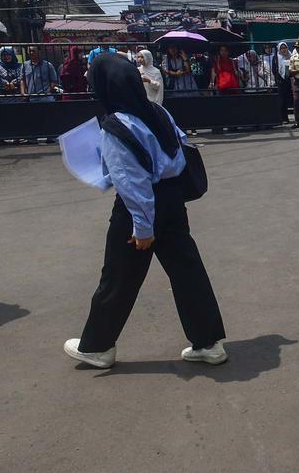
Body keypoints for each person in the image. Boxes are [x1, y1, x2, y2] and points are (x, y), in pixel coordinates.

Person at [64, 54, 226, 369]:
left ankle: (97, 347)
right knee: (187, 272)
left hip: (139, 210)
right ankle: (209, 343)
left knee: (118, 277)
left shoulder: (115, 126)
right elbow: (179, 151)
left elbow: (131, 183)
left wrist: (142, 228)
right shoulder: (158, 111)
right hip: (172, 200)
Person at [272, 42, 293, 123]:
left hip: (290, 80)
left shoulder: (291, 56)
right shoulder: (276, 57)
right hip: (280, 81)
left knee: (290, 99)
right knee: (282, 100)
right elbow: (274, 70)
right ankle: (284, 118)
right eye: (282, 48)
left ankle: (298, 118)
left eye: (285, 48)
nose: (284, 50)